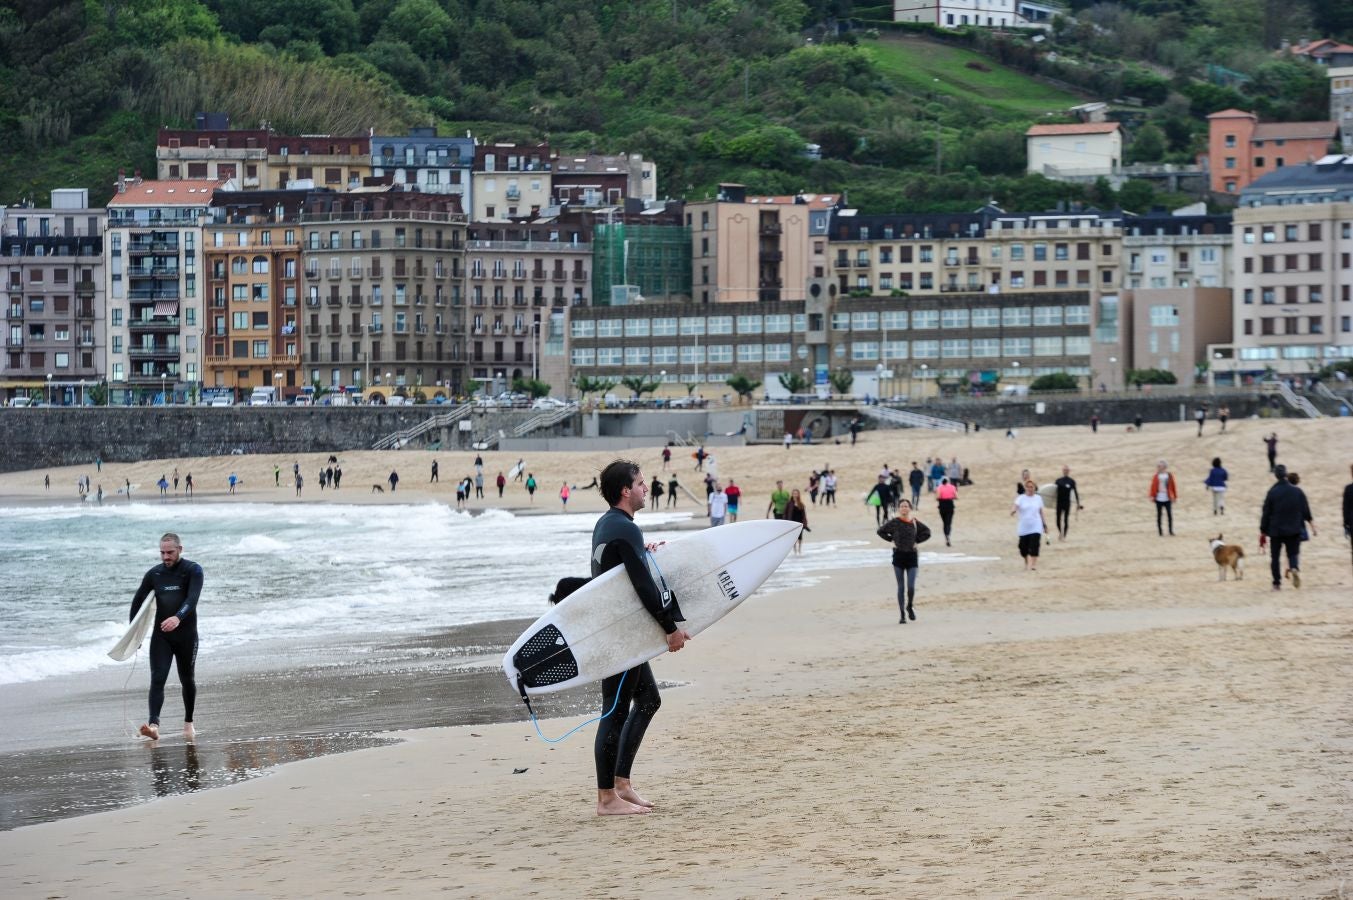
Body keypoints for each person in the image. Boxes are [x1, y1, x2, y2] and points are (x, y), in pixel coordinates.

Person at [589, 460, 690, 816]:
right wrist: (670, 627)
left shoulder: (609, 525)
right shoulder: (624, 528)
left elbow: (620, 573)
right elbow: (642, 587)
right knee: (614, 710)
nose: (646, 488)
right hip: (620, 636)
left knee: (647, 699)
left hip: (620, 631)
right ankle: (606, 799)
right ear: (625, 491)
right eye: (641, 483)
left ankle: (621, 784)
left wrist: (643, 554)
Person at [128, 533, 204, 741]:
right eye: (162, 552)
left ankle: (188, 723)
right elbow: (137, 602)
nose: (165, 557)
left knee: (187, 679)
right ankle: (154, 726)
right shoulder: (155, 574)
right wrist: (134, 635)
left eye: (170, 552)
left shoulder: (193, 570)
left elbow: (193, 598)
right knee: (157, 679)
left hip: (187, 636)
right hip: (161, 637)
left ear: (180, 549)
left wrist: (178, 617)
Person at [1260, 464, 1315, 591]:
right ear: (1286, 474)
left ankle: (1276, 583)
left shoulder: (1272, 492)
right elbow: (1305, 509)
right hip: (1293, 528)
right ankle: (1294, 567)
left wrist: (1263, 530)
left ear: (1276, 476)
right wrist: (1311, 523)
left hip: (1276, 530)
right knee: (1293, 553)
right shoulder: (1297, 491)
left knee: (1275, 558)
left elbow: (1266, 512)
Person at [877, 499, 931, 623]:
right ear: (899, 509)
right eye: (902, 506)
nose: (904, 508)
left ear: (910, 508)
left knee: (911, 586)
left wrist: (917, 541)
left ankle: (909, 606)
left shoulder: (915, 522)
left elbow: (927, 533)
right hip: (898, 557)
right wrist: (891, 540)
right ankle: (902, 614)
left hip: (912, 557)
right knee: (901, 587)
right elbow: (880, 531)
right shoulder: (894, 522)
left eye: (906, 506)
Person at [1012, 479, 1048, 571]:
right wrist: (1013, 510)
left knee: (1034, 545)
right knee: (1022, 547)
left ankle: (1033, 565)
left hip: (1036, 525)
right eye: (1028, 487)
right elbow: (1015, 506)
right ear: (1025, 488)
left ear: (1034, 488)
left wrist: (1044, 524)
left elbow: (1041, 512)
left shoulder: (1038, 498)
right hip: (1024, 527)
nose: (1030, 488)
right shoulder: (1021, 498)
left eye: (1031, 487)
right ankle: (1026, 560)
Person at [1149, 459, 1177, 536]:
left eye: (1159, 466)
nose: (1158, 467)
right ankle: (1160, 531)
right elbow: (1152, 486)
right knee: (1159, 515)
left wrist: (1174, 496)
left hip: (1167, 498)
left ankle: (1170, 531)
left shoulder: (1169, 475)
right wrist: (1151, 495)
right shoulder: (1156, 476)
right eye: (1157, 466)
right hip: (1158, 499)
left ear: (1164, 467)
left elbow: (1173, 486)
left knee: (1169, 515)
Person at [1053, 466, 1082, 541]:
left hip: (1067, 503)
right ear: (1062, 471)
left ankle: (1064, 536)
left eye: (1067, 470)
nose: (1065, 471)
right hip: (1059, 503)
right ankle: (1060, 532)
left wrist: (1078, 503)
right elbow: (1053, 492)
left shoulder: (1071, 481)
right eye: (1064, 470)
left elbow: (1075, 492)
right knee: (1058, 520)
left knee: (1066, 520)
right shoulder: (1058, 481)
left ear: (1069, 471)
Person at [784, 488, 808, 553]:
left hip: (800, 522)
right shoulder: (789, 503)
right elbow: (785, 513)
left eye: (796, 493)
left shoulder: (801, 504)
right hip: (792, 522)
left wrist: (805, 522)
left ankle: (799, 550)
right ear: (792, 494)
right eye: (794, 493)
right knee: (794, 537)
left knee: (800, 536)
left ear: (798, 495)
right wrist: (786, 522)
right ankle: (795, 550)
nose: (795, 495)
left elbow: (804, 514)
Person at [935, 476, 957, 546]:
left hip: (942, 505)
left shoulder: (939, 487)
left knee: (944, 522)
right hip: (950, 505)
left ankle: (946, 536)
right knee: (949, 522)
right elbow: (956, 496)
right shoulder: (952, 487)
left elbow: (937, 497)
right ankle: (948, 535)